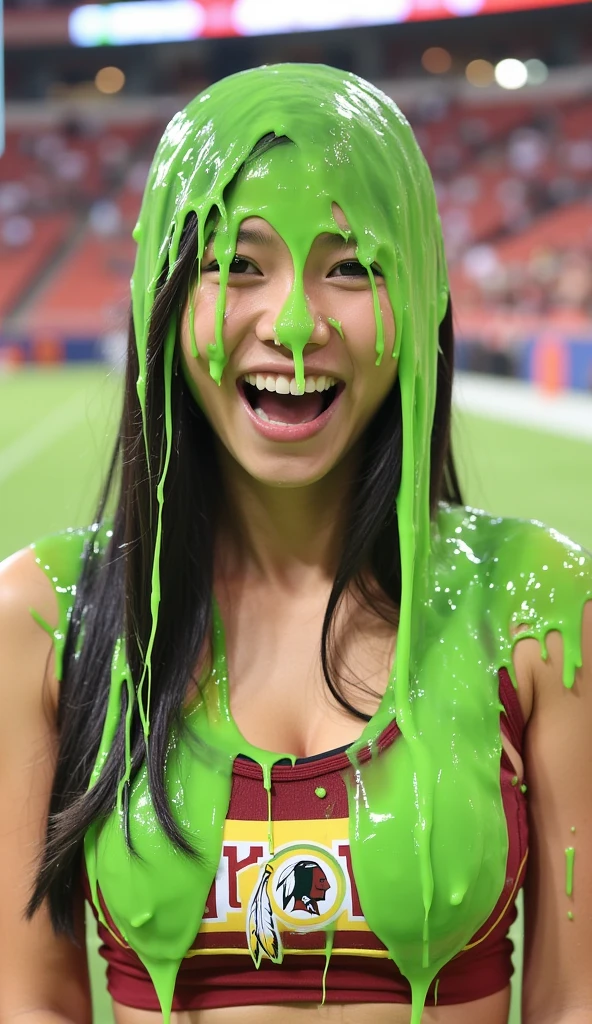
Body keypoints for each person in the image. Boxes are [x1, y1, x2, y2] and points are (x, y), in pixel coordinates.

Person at [1, 63, 591, 1024]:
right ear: (163, 293)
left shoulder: (538, 607)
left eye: (352, 268)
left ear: (424, 296)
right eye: (237, 263)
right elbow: (27, 1004)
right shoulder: (40, 620)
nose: (294, 325)